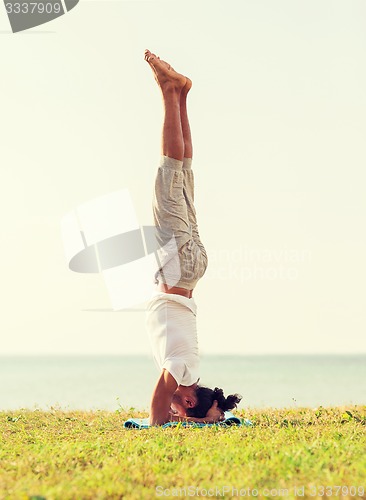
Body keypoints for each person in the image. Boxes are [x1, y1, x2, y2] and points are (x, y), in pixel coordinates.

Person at [144, 49, 241, 426]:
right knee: (170, 172)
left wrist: (198, 417)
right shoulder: (182, 373)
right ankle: (170, 92)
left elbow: (173, 400)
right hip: (179, 267)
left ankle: (180, 93)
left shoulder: (191, 366)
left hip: (192, 269)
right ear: (186, 401)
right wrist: (160, 426)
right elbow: (160, 401)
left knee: (182, 173)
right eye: (179, 411)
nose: (172, 409)